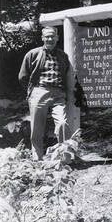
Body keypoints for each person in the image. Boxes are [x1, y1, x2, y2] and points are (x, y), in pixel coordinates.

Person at [19, 26, 72, 160]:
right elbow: (23, 76)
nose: (50, 39)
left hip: (58, 94)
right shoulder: (33, 54)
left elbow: (66, 73)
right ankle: (38, 159)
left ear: (57, 38)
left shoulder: (62, 55)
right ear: (42, 38)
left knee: (62, 124)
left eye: (52, 36)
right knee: (37, 128)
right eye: (47, 36)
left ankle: (64, 159)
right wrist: (33, 91)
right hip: (39, 91)